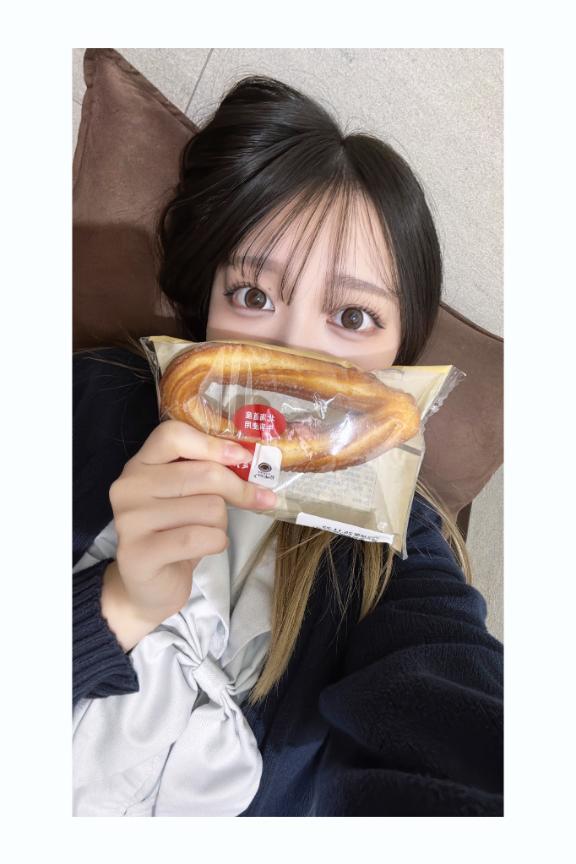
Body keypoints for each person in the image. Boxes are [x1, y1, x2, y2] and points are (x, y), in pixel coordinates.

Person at [73, 75, 503, 816]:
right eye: (253, 296)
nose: (292, 351)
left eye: (353, 316)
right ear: (206, 305)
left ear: (400, 353)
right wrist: (118, 604)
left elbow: (453, 707)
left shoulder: (401, 547)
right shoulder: (89, 397)